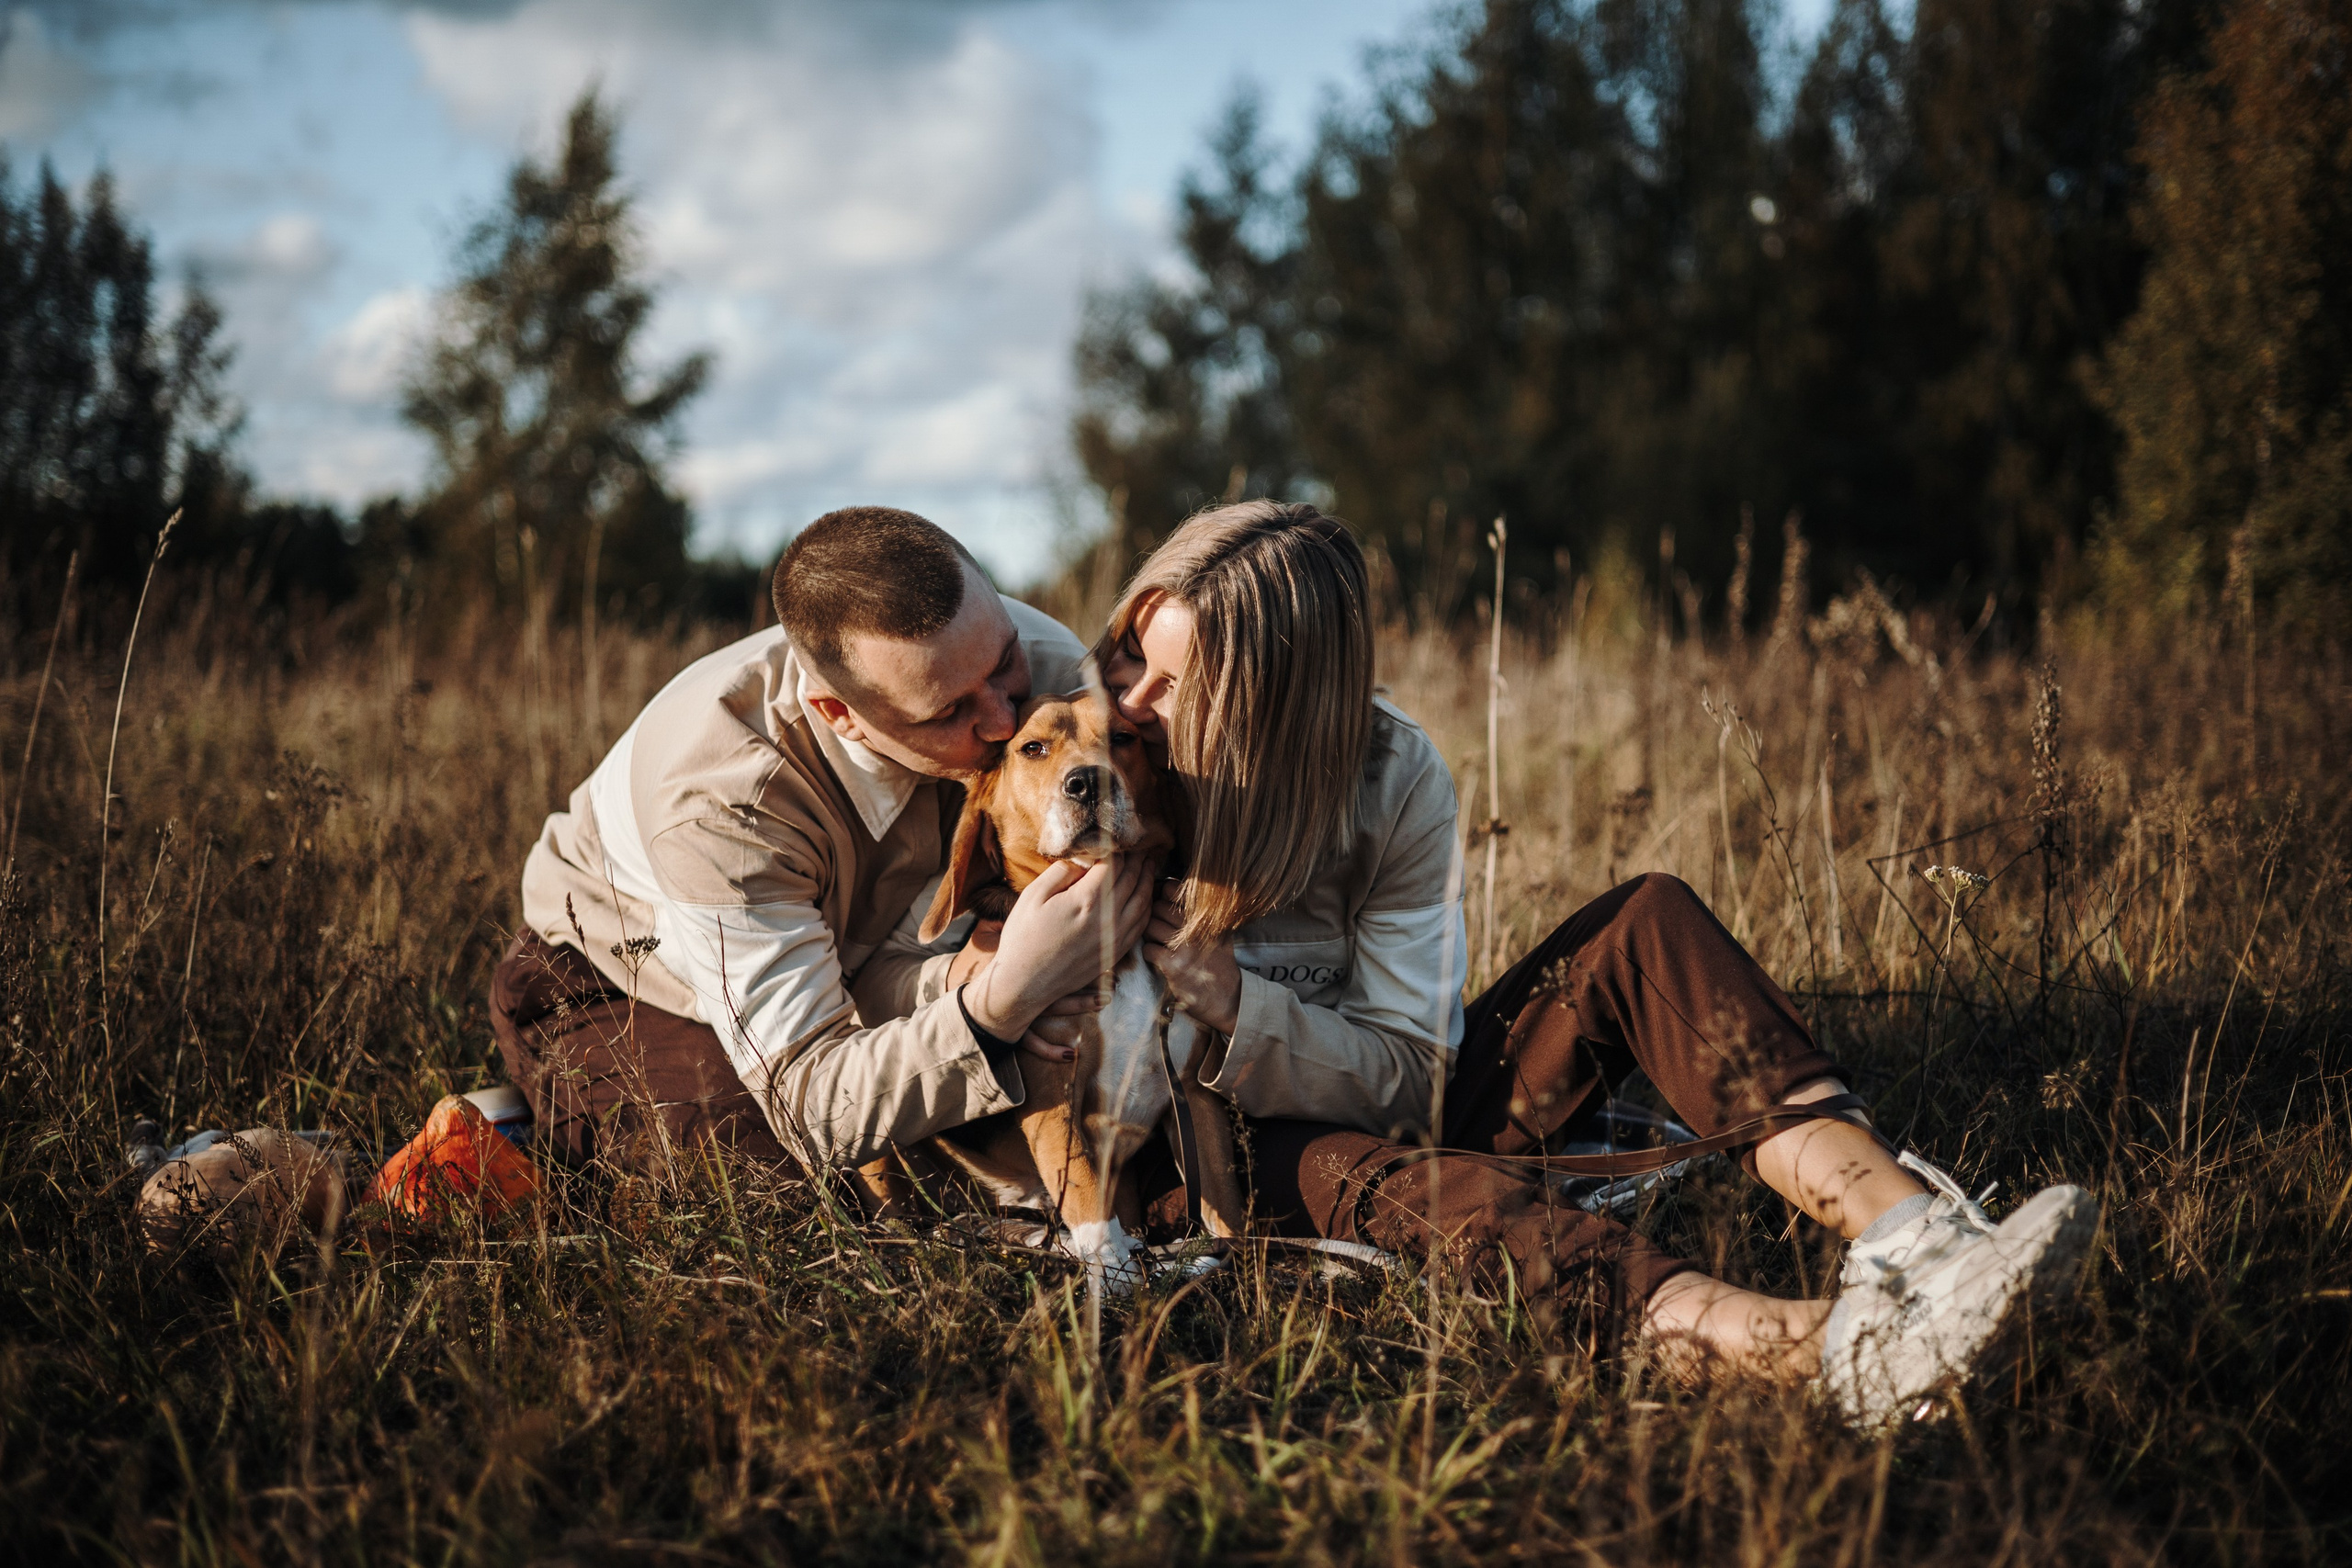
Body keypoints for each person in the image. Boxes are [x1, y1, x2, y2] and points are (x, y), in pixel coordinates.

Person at [1064, 499, 2098, 1425]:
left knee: (1648, 920)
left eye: (1176, 686)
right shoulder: (1075, 762)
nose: (1133, 702)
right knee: (1432, 1189)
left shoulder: (1387, 775)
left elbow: (1415, 1070)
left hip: (1370, 1090)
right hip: (1205, 1164)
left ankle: (1920, 1246)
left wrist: (1243, 1005)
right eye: (1129, 662)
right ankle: (1839, 1358)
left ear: (1275, 707)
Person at [493, 506, 1152, 1183]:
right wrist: (1001, 999)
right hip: (625, 978)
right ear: (840, 714)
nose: (1004, 718)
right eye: (950, 711)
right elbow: (810, 1102)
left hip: (887, 961)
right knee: (767, 1173)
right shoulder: (721, 799)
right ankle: (511, 1133)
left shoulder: (1038, 657)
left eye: (1004, 663)